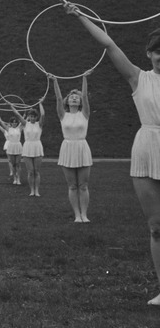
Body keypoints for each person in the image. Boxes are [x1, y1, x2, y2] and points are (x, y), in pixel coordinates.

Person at [67, 4, 160, 305]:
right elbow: (109, 44)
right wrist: (80, 15)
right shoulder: (138, 78)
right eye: (157, 51)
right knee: (156, 227)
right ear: (149, 53)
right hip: (146, 148)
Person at [50, 70, 92, 223]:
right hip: (67, 148)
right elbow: (58, 97)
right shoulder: (63, 114)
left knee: (83, 185)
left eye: (77, 98)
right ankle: (76, 214)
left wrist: (84, 78)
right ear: (68, 101)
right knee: (72, 185)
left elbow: (86, 96)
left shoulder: (85, 114)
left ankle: (84, 214)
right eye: (72, 97)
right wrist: (54, 81)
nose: (74, 99)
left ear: (80, 102)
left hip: (82, 148)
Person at [10, 101, 45, 196]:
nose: (32, 118)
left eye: (34, 116)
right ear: (28, 117)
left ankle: (37, 190)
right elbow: (17, 115)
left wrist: (40, 103)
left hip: (37, 147)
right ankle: (32, 190)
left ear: (36, 117)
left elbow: (43, 114)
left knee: (36, 171)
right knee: (30, 171)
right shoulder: (25, 124)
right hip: (27, 148)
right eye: (31, 116)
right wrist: (12, 106)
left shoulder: (39, 124)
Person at [0, 111, 23, 185]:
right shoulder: (8, 129)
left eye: (15, 122)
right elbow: (1, 122)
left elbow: (23, 120)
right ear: (10, 123)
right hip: (11, 146)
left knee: (18, 163)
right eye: (13, 122)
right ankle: (14, 178)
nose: (14, 123)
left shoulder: (19, 128)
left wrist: (27, 111)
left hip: (18, 146)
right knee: (13, 164)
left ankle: (19, 178)